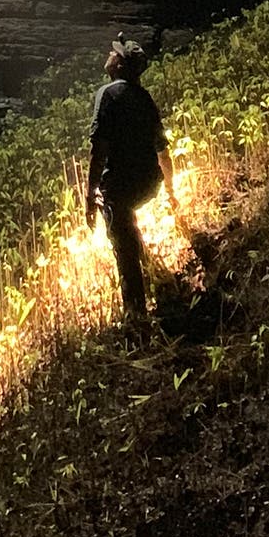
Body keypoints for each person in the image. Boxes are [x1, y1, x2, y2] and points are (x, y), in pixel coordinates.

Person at [84, 37, 177, 324]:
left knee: (122, 246)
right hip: (149, 183)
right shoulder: (144, 97)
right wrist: (171, 190)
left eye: (115, 53)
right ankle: (152, 272)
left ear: (120, 65)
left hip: (121, 186)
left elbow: (100, 147)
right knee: (127, 222)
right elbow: (162, 148)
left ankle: (135, 315)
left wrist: (90, 193)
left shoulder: (108, 94)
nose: (110, 53)